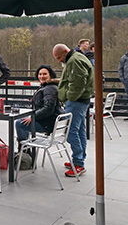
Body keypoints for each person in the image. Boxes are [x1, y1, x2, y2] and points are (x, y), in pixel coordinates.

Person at [53, 43, 94, 177]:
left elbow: (78, 82)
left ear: (65, 51)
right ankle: (79, 159)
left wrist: (70, 97)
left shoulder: (74, 61)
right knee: (80, 130)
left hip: (76, 101)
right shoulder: (77, 57)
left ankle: (78, 163)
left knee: (70, 131)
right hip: (82, 100)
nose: (59, 61)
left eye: (59, 57)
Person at [15, 64, 64, 142]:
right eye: (40, 74)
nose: (42, 76)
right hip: (49, 121)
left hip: (48, 124)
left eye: (45, 74)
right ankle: (26, 149)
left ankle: (24, 150)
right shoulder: (48, 87)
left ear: (50, 75)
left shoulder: (50, 89)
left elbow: (48, 108)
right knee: (24, 119)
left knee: (19, 124)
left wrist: (32, 117)